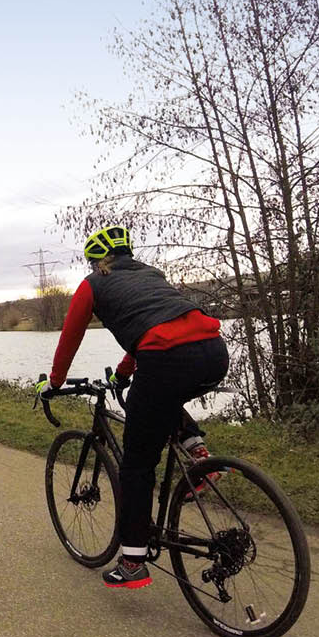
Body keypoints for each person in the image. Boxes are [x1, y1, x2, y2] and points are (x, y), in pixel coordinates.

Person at [37, 225, 229, 589]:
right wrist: (124, 373)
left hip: (166, 359)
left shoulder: (93, 285)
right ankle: (198, 453)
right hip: (214, 352)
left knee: (136, 466)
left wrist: (55, 383)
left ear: (96, 262)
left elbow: (70, 337)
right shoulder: (151, 275)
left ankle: (133, 561)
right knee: (161, 398)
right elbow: (157, 328)